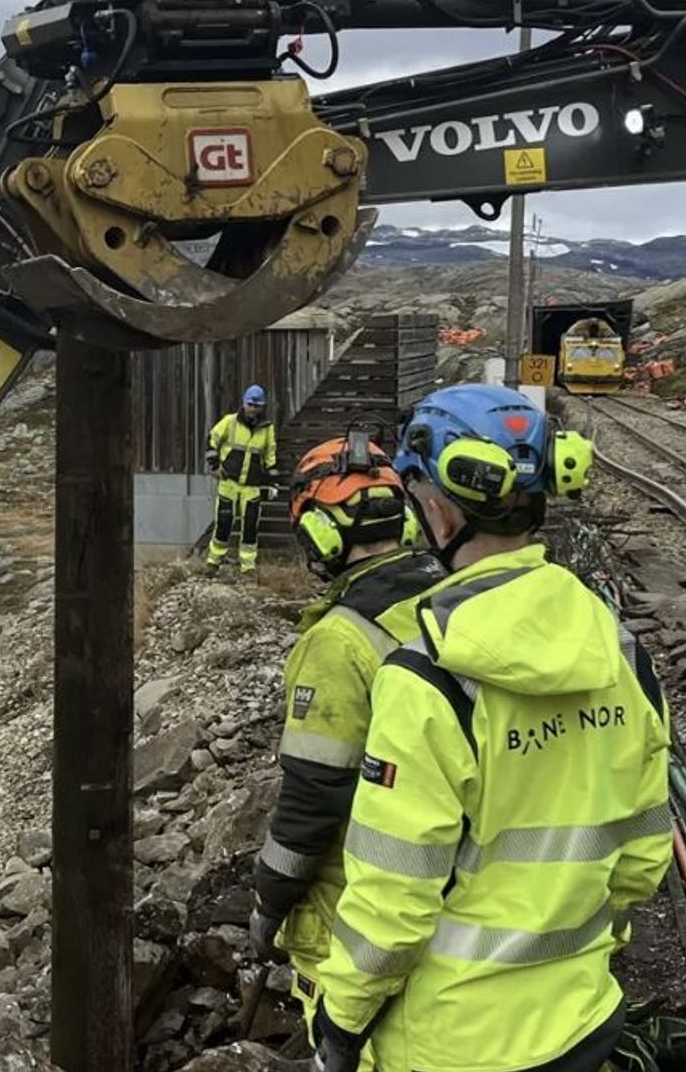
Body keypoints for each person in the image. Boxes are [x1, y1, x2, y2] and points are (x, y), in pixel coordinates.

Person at [310, 384, 672, 1072]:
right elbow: (642, 856)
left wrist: (340, 1019)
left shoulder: (426, 682)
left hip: (454, 1042)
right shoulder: (621, 653)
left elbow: (394, 902)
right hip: (582, 1016)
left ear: (440, 507)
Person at [250, 431, 444, 1064]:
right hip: (452, 888)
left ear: (322, 536)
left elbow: (313, 799)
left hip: (360, 903)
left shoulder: (339, 642)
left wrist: (268, 899)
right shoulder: (447, 602)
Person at [205, 383, 279, 576]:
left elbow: (270, 456)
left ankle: (247, 565)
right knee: (223, 522)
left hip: (252, 486)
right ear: (244, 403)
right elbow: (212, 439)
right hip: (229, 482)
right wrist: (214, 465)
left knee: (250, 526)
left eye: (257, 405)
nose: (253, 409)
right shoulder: (230, 422)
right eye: (250, 404)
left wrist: (272, 483)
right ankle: (214, 561)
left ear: (262, 407)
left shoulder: (267, 429)